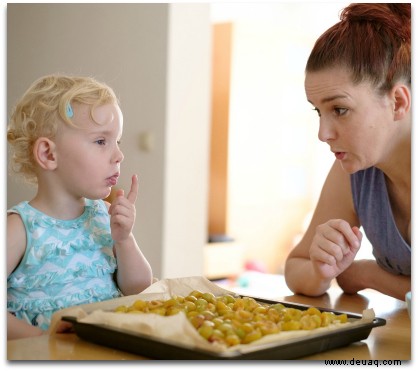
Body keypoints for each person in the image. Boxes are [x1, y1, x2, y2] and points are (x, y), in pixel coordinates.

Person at [7, 74, 153, 340]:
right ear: (49, 154)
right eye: (101, 141)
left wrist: (124, 239)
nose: (119, 155)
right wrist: (41, 339)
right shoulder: (20, 228)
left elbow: (139, 288)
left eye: (117, 142)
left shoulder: (100, 215)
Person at [285, 3, 411, 301]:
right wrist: (322, 270)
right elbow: (296, 265)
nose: (323, 134)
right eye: (319, 112)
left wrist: (364, 274)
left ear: (398, 102)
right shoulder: (356, 172)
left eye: (339, 109)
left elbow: (355, 275)